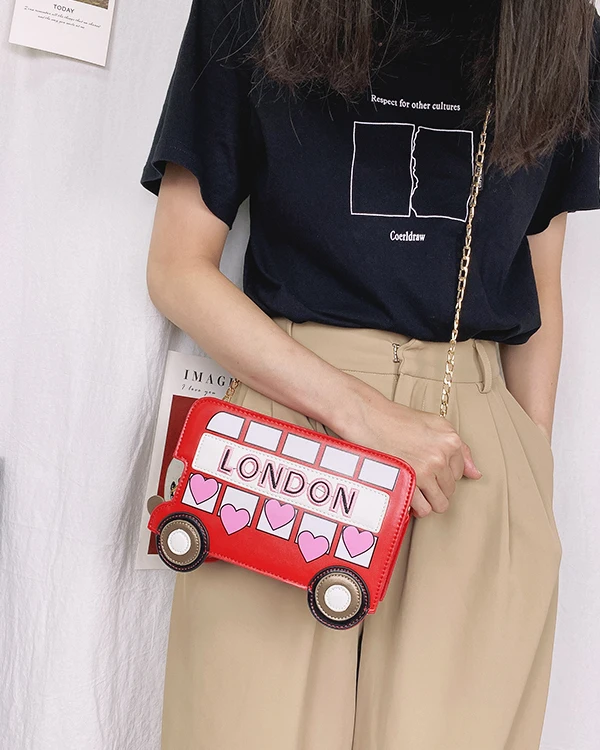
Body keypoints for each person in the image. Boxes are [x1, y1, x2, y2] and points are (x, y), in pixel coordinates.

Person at [139, 0, 600, 747]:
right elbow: (176, 268)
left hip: (471, 458)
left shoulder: (558, 29)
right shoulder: (256, 7)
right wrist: (361, 412)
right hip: (289, 436)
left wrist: (531, 470)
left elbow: (540, 282)